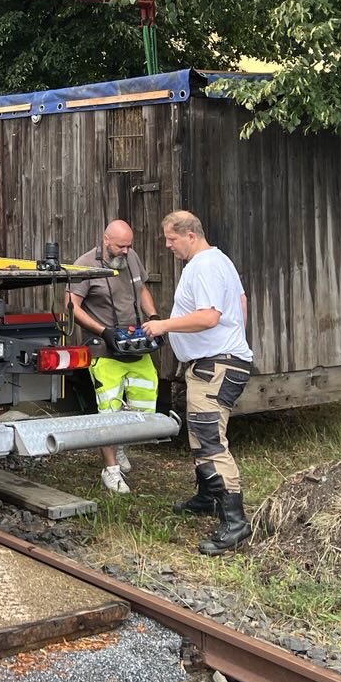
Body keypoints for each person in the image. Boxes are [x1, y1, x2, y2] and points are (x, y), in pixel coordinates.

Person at [142, 210, 253, 555]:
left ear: (190, 236)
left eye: (171, 239)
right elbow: (241, 303)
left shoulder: (204, 265)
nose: (168, 245)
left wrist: (163, 326)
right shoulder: (220, 261)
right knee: (200, 433)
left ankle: (235, 523)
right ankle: (207, 498)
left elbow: (208, 317)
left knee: (210, 441)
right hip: (217, 362)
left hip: (216, 366)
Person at [68, 219, 158, 494]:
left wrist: (153, 316)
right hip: (104, 348)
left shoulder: (132, 258)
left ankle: (120, 446)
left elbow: (142, 288)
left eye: (129, 246)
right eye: (120, 246)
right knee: (108, 410)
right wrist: (103, 331)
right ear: (106, 240)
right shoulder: (84, 264)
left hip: (136, 344)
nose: (125, 251)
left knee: (145, 404)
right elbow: (71, 306)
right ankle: (111, 470)